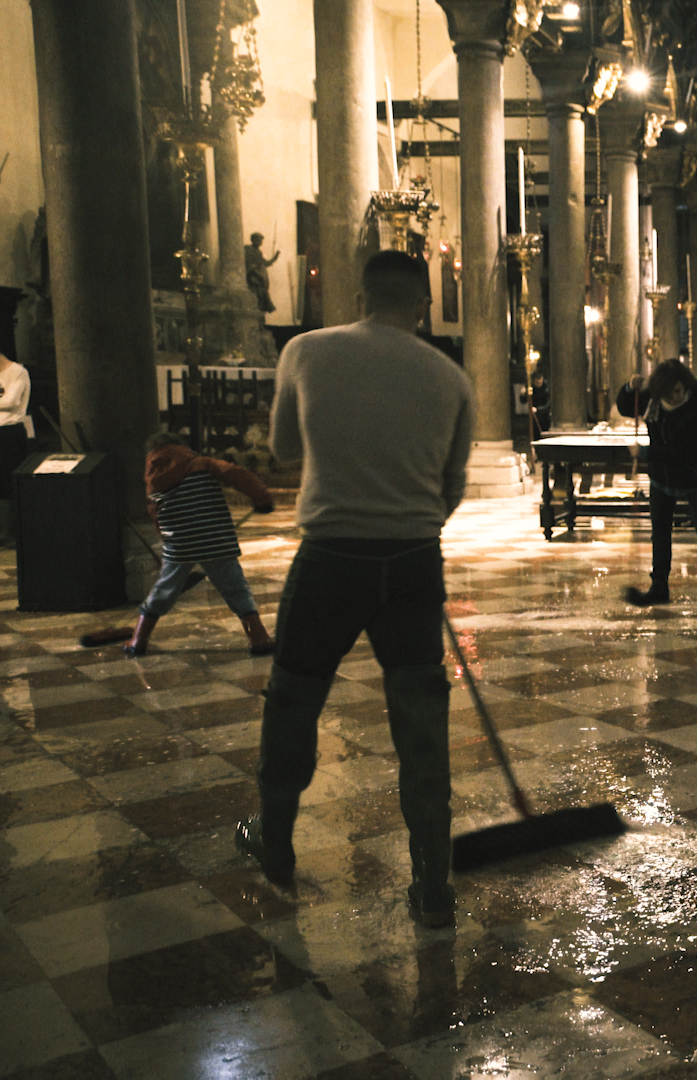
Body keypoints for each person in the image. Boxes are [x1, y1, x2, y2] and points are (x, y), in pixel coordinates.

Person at [235, 250, 474, 929]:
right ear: (424, 303)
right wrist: (407, 527)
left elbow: (282, 450)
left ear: (360, 292)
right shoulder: (450, 378)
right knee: (421, 723)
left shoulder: (307, 353)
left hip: (331, 557)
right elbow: (449, 489)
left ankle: (275, 843)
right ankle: (433, 885)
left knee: (294, 699)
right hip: (412, 561)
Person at [125, 433, 277, 657]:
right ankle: (258, 638)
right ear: (182, 448)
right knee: (235, 588)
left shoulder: (153, 479)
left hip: (179, 544)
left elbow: (155, 514)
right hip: (215, 540)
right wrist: (261, 497)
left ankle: (138, 640)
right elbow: (235, 474)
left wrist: (169, 540)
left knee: (164, 591)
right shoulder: (202, 463)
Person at [618, 358, 697, 608]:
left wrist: (646, 454)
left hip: (695, 476)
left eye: (680, 390)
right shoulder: (654, 401)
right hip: (662, 478)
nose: (677, 396)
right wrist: (630, 387)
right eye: (672, 392)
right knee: (659, 533)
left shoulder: (695, 409)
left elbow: (683, 451)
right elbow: (627, 407)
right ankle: (659, 586)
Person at [0, 346, 32, 548]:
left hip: (11, 430)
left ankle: (15, 531)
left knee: (10, 479)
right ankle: (3, 529)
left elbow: (12, 401)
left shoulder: (18, 372)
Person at [245, 232, 282, 314]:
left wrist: (275, 257)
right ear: (253, 240)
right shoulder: (249, 250)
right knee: (258, 296)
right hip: (253, 276)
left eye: (261, 240)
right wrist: (258, 274)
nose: (260, 242)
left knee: (262, 296)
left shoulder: (258, 252)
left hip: (261, 279)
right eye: (258, 240)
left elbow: (265, 263)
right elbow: (250, 266)